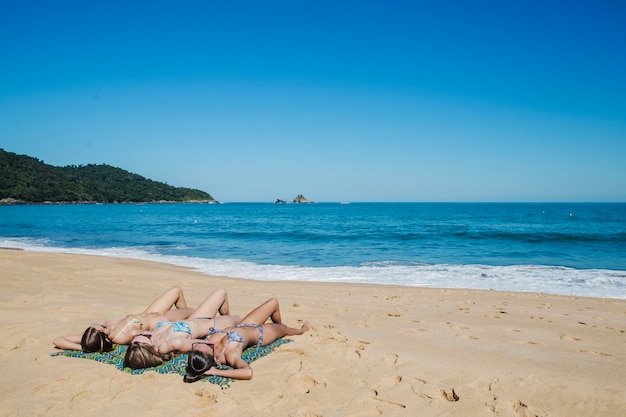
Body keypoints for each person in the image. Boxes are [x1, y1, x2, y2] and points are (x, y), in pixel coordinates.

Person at [53, 286, 231, 353]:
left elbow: (58, 340)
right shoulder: (119, 336)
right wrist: (91, 349)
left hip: (151, 314)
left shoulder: (97, 333)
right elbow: (149, 335)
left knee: (176, 291)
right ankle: (223, 322)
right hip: (165, 322)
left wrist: (83, 346)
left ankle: (197, 318)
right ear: (99, 334)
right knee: (195, 310)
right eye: (94, 328)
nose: (92, 325)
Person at [183, 297, 310, 382]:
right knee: (285, 330)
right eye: (202, 345)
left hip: (245, 324)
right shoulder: (230, 354)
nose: (203, 341)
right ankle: (300, 330)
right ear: (208, 355)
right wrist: (215, 372)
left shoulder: (209, 344)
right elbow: (247, 373)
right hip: (260, 334)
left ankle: (279, 327)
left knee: (273, 302)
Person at [123, 298, 242, 369]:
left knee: (221, 293)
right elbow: (208, 344)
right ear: (151, 348)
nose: (144, 333)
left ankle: (227, 315)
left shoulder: (155, 339)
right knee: (239, 319)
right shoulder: (175, 343)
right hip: (212, 325)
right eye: (145, 336)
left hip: (194, 319)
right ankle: (229, 317)